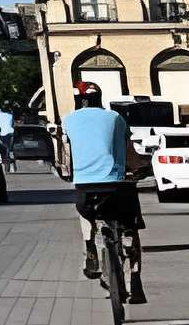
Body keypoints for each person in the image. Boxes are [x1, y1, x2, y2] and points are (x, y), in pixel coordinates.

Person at [62, 82, 146, 303]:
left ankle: (89, 243)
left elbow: (65, 155)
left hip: (85, 188)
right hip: (116, 187)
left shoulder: (69, 120)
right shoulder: (116, 118)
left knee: (85, 214)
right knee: (130, 222)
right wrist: (143, 167)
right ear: (100, 97)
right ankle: (134, 278)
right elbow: (131, 156)